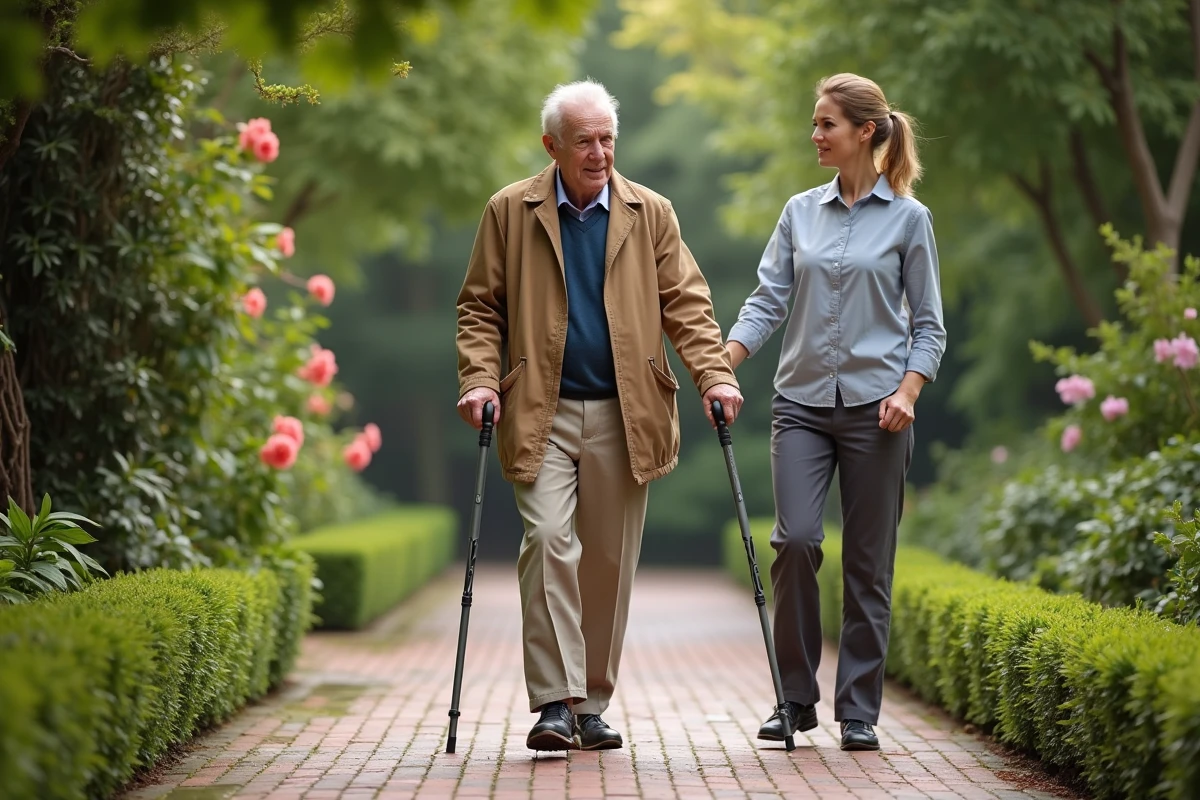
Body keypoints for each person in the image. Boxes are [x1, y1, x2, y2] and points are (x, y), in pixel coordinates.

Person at [455, 79, 743, 752]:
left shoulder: (651, 213)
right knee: (547, 541)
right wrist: (479, 378)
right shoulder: (510, 211)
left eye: (607, 139)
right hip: (540, 408)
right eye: (583, 140)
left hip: (626, 412)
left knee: (608, 563)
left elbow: (687, 304)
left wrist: (714, 374)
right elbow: (479, 308)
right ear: (551, 145)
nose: (598, 153)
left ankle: (590, 704)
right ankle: (554, 703)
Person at [724, 73, 946, 752]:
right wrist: (721, 362)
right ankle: (794, 699)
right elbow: (768, 300)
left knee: (868, 566)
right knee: (795, 541)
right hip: (800, 404)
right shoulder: (800, 212)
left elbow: (929, 326)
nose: (815, 134)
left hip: (879, 411)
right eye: (815, 123)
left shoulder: (910, 219)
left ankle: (858, 711)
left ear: (865, 131)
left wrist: (908, 392)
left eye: (827, 124)